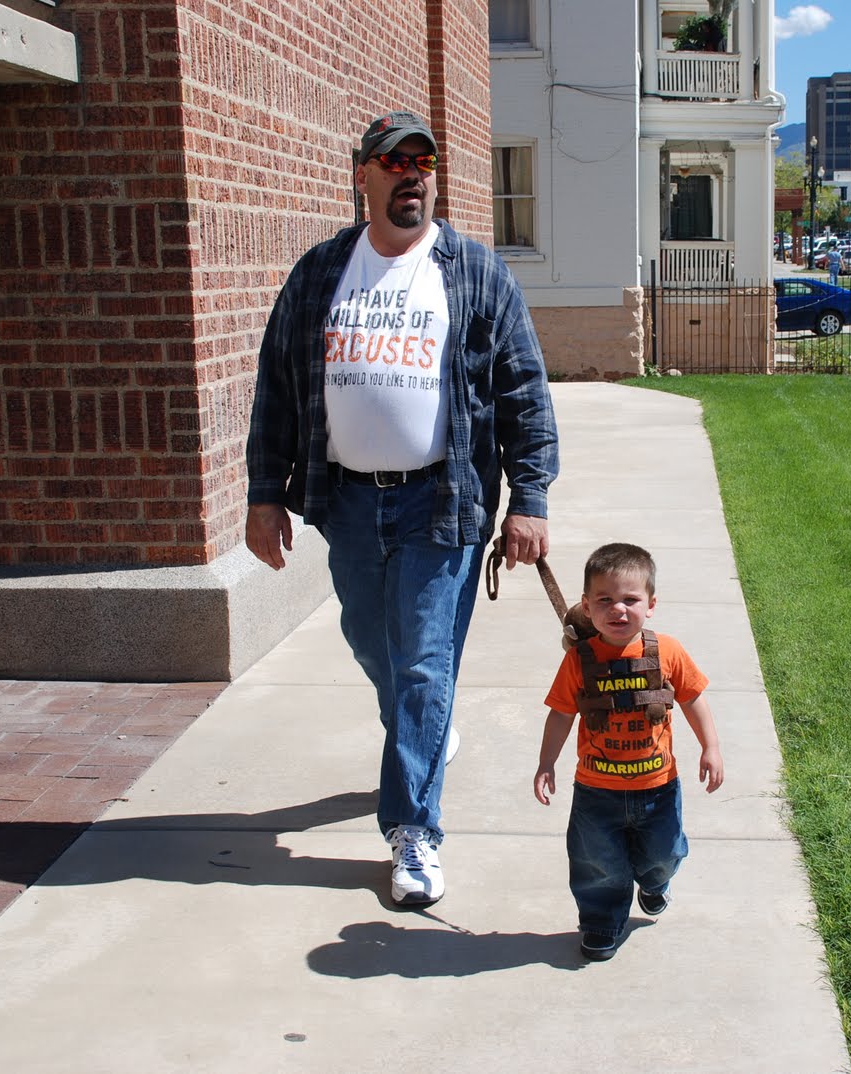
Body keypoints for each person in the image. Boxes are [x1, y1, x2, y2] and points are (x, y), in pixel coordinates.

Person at [245, 109, 559, 908]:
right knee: (375, 649)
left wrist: (529, 498)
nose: (412, 173)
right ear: (364, 176)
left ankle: (413, 831)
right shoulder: (320, 274)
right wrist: (262, 494)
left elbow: (524, 390)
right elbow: (277, 388)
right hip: (345, 502)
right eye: (394, 161)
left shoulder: (475, 272)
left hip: (441, 499)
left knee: (422, 663)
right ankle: (427, 729)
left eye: (423, 160)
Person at [533, 543, 724, 961]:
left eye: (630, 600)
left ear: (651, 604)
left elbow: (693, 699)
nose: (617, 609)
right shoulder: (579, 662)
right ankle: (601, 922)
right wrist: (546, 763)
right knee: (596, 863)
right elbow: (562, 714)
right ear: (586, 606)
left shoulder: (667, 652)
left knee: (663, 854)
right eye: (604, 600)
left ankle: (655, 883)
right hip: (596, 791)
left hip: (657, 787)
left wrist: (711, 747)